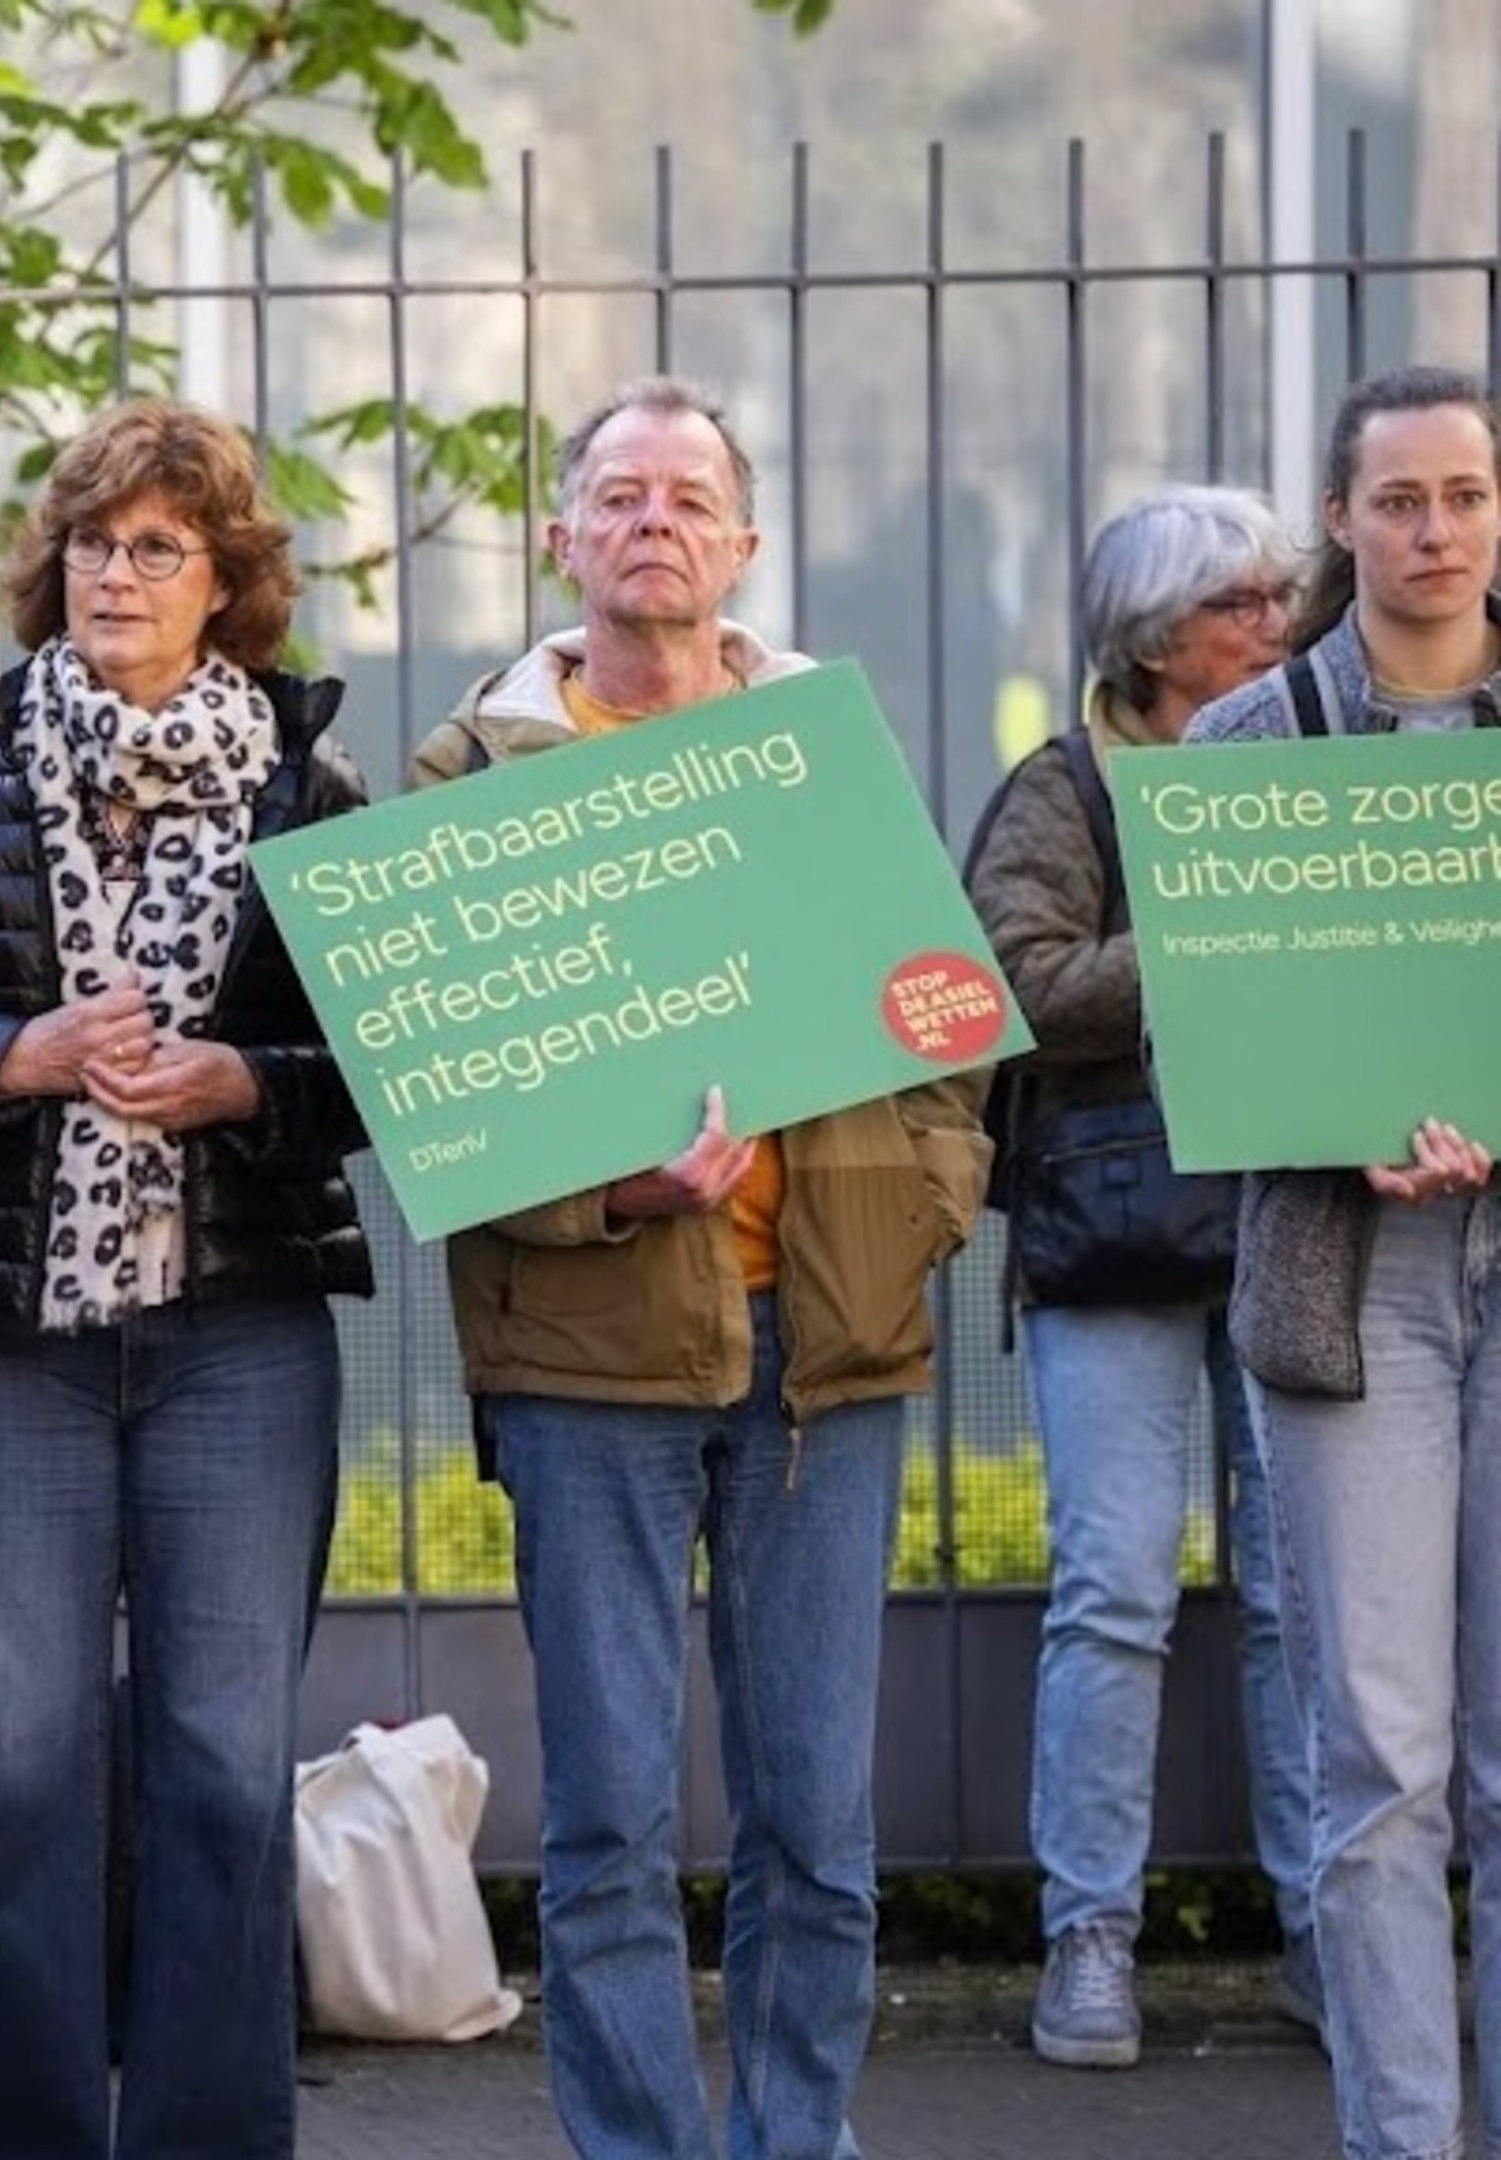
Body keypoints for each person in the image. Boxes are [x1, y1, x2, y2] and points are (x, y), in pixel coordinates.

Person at [407, 376, 988, 2160]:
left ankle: (795, 2140)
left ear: (742, 546)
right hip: (591, 1358)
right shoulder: (469, 774)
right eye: (619, 494)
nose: (653, 521)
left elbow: (944, 1028)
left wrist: (926, 1199)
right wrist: (613, 1189)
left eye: (689, 496)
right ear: (563, 539)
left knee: (816, 1817)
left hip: (827, 1347)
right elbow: (439, 1086)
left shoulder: (831, 753)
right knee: (608, 1821)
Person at [0, 396, 373, 2159]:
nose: (117, 574)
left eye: (158, 548)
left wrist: (242, 1087)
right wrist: (14, 1056)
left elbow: (390, 1070)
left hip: (241, 1336)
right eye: (90, 546)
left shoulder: (313, 799)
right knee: (19, 1770)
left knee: (220, 1769)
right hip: (10, 1348)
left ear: (229, 586)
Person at [1182, 361, 1501, 2160]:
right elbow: (1196, 1047)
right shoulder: (1252, 744)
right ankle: (1405, 2138)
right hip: (1351, 1288)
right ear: (1338, 518)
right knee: (1380, 1767)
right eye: (1399, 500)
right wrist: (1338, 1121)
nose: (1433, 531)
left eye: (1464, 496)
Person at [964, 485, 1318, 2070]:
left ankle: (1332, 1930)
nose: (1280, 617)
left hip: (1302, 1221)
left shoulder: (1321, 749)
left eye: (1282, 591)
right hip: (1117, 1235)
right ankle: (1088, 1943)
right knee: (1113, 1594)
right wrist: (1218, 931)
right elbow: (1009, 988)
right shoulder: (1063, 788)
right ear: (1162, 636)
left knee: (1304, 1605)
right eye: (1247, 597)